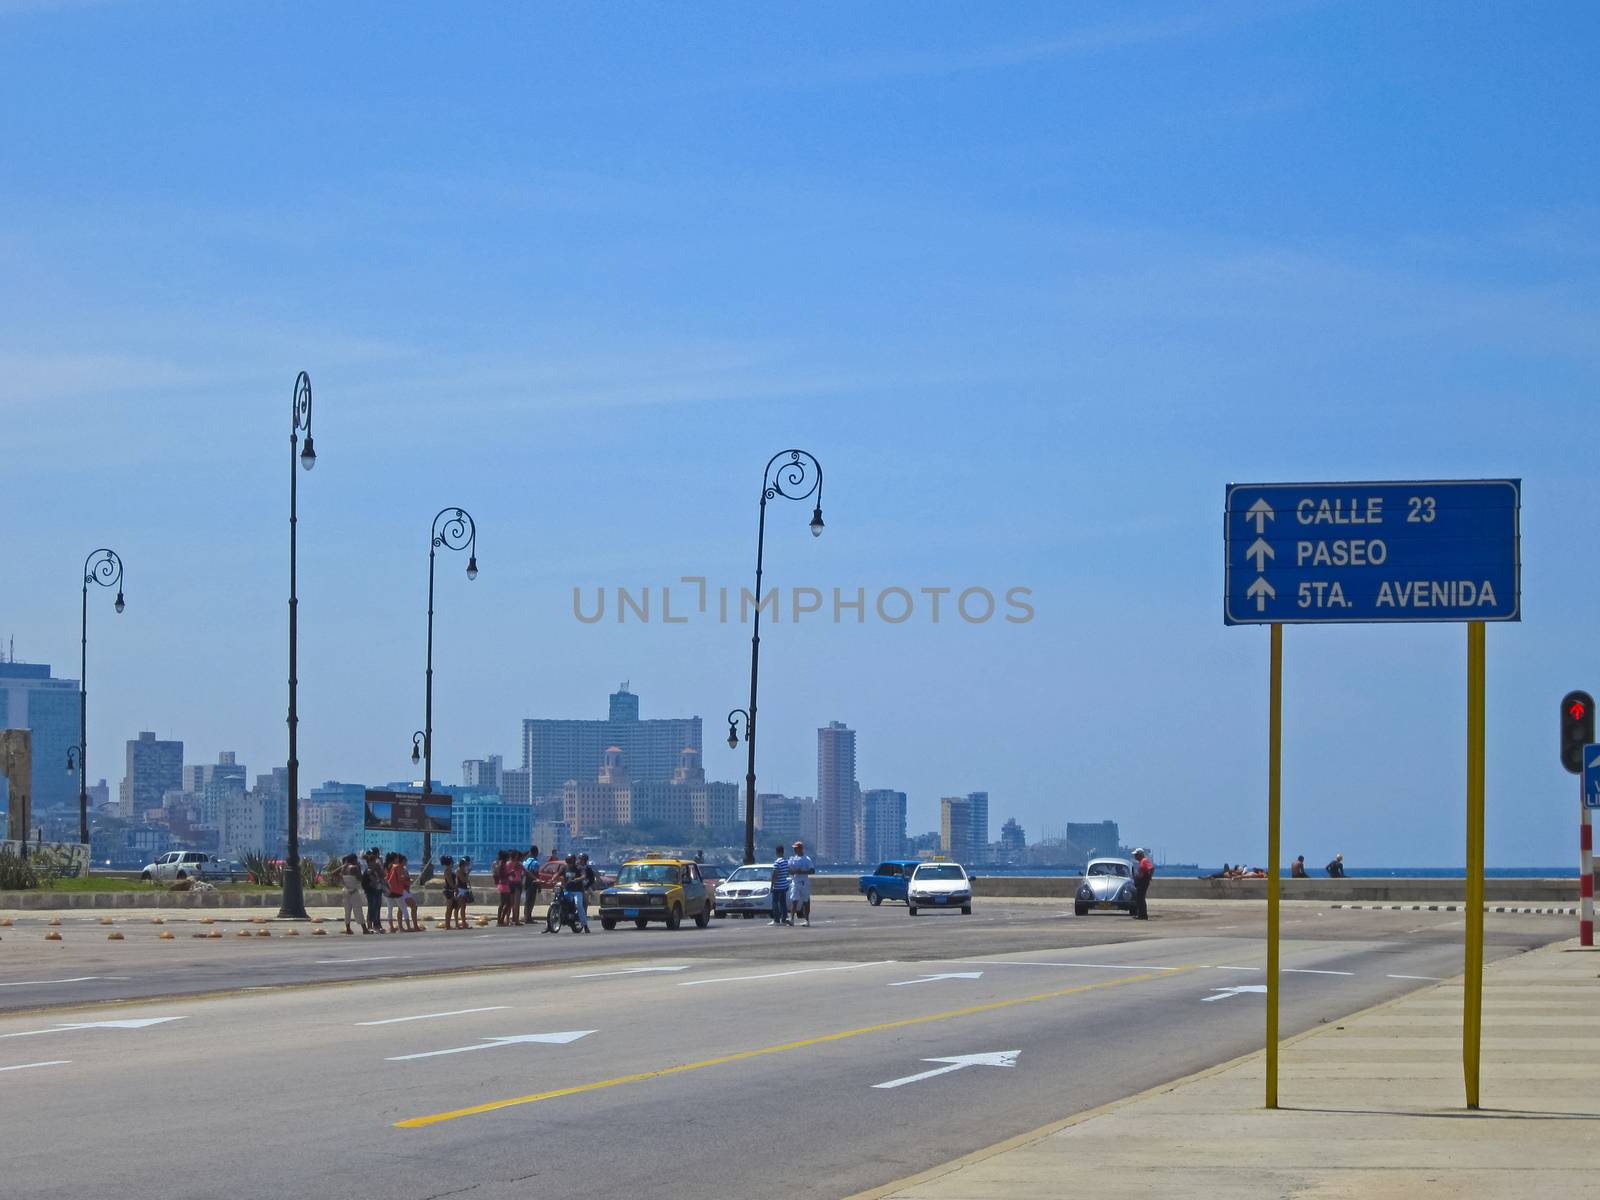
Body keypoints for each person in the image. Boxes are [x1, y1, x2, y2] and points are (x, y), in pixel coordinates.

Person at [786, 841, 814, 927]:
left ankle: (807, 920)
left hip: (804, 882)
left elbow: (812, 870)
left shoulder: (807, 859)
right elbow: (789, 870)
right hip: (795, 882)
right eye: (794, 848)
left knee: (806, 901)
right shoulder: (792, 859)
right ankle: (791, 919)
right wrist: (794, 871)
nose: (794, 850)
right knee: (794, 900)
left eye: (796, 848)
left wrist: (802, 872)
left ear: (800, 849)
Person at [336, 853, 364, 934]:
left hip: (345, 890)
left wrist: (341, 878)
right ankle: (364, 928)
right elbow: (360, 878)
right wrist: (359, 868)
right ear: (354, 860)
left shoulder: (343, 868)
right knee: (358, 910)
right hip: (353, 890)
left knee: (347, 911)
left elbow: (333, 873)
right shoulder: (354, 868)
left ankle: (348, 928)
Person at [361, 849, 386, 934]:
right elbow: (371, 880)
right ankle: (370, 926)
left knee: (377, 907)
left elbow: (383, 875)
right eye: (373, 861)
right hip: (371, 892)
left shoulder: (377, 868)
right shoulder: (368, 870)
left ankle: (377, 924)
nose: (375, 862)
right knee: (371, 908)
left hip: (378, 890)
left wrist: (380, 867)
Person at [769, 843, 790, 925]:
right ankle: (784, 919)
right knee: (783, 903)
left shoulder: (777, 862)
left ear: (777, 852)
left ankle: (776, 920)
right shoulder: (786, 861)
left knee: (775, 902)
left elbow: (775, 874)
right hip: (784, 885)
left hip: (778, 886)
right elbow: (787, 872)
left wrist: (772, 885)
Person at [1131, 847, 1155, 920]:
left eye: (1136, 855)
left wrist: (1149, 877)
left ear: (1140, 855)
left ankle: (1143, 915)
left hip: (1143, 882)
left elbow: (1151, 868)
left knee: (1140, 898)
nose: (1135, 856)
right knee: (1139, 898)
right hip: (1141, 881)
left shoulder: (1144, 860)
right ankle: (1141, 914)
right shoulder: (1142, 861)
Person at [521, 844, 542, 925]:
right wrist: (539, 885)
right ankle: (528, 917)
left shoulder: (525, 862)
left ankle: (526, 916)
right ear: (536, 853)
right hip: (533, 883)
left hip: (525, 882)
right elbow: (537, 875)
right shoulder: (536, 863)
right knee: (531, 901)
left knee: (527, 900)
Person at [576, 853, 596, 932]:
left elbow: (592, 880)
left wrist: (586, 886)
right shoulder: (576, 867)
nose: (580, 861)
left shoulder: (588, 869)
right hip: (576, 887)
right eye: (579, 859)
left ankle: (584, 921)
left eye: (582, 859)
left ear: (585, 861)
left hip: (585, 887)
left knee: (585, 901)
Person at [455, 856, 474, 928]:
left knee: (462, 907)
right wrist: (468, 873)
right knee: (460, 907)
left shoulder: (462, 870)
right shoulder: (459, 871)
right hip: (461, 890)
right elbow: (463, 880)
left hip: (463, 889)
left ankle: (461, 922)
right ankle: (461, 923)